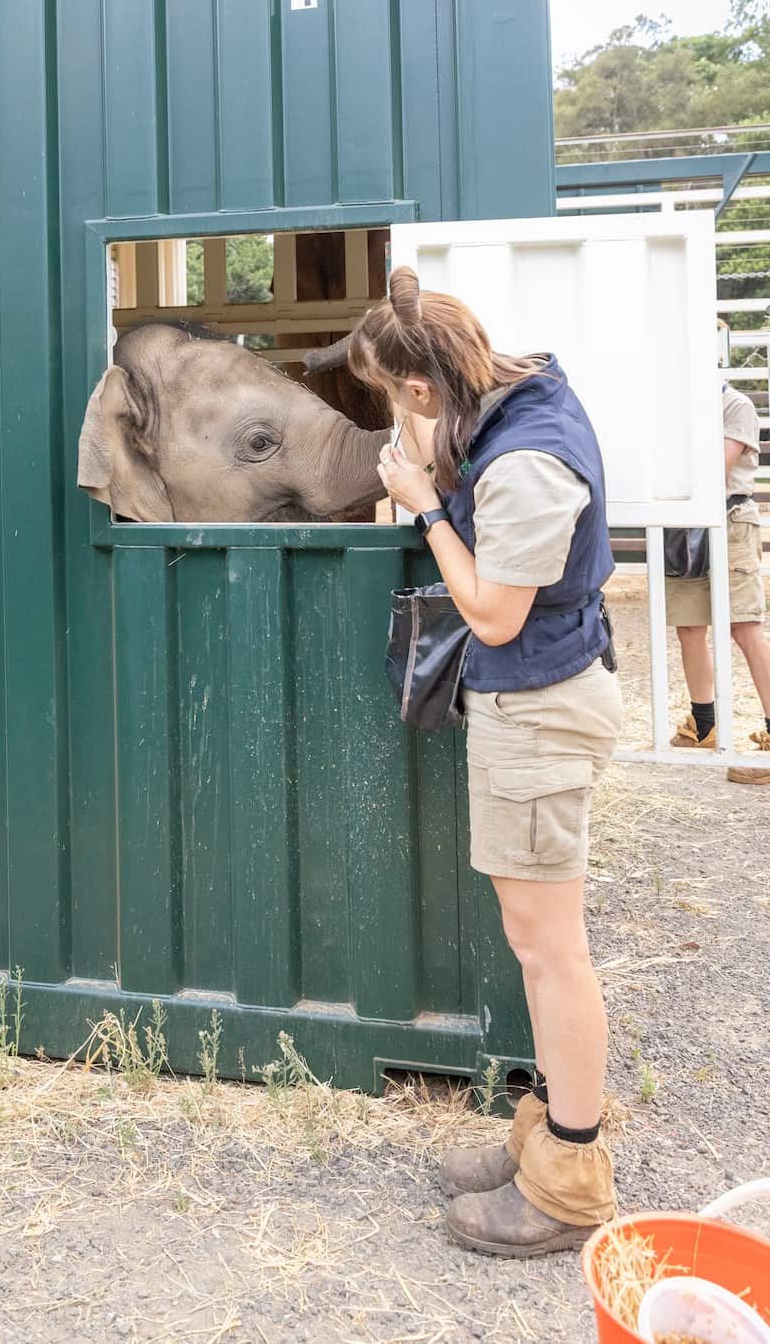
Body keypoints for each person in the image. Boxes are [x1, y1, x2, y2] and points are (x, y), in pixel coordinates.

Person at [348, 268, 622, 1259]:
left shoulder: (524, 463)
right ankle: (541, 1135)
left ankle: (570, 1179)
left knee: (552, 951)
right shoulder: (515, 393)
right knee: (531, 934)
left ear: (418, 390)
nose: (390, 411)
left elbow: (493, 610)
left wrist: (422, 503)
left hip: (540, 708)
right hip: (534, 699)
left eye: (388, 395)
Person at [668, 369, 770, 785]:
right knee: (689, 628)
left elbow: (715, 470)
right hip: (683, 522)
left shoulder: (734, 405)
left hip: (728, 520)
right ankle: (705, 724)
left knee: (745, 627)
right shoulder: (676, 408)